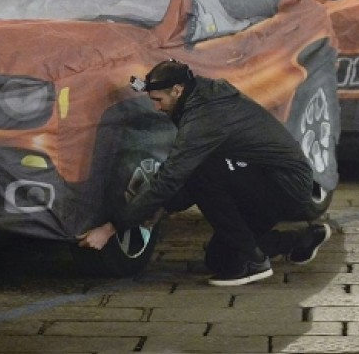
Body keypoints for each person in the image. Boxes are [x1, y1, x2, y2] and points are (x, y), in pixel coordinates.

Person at [77, 60, 332, 286]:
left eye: (158, 100)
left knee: (198, 170)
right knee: (222, 261)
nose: (156, 108)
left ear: (177, 90)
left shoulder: (204, 117)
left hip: (282, 187)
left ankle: (256, 261)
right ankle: (299, 241)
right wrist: (164, 208)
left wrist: (111, 228)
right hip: (262, 180)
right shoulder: (199, 96)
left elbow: (173, 177)